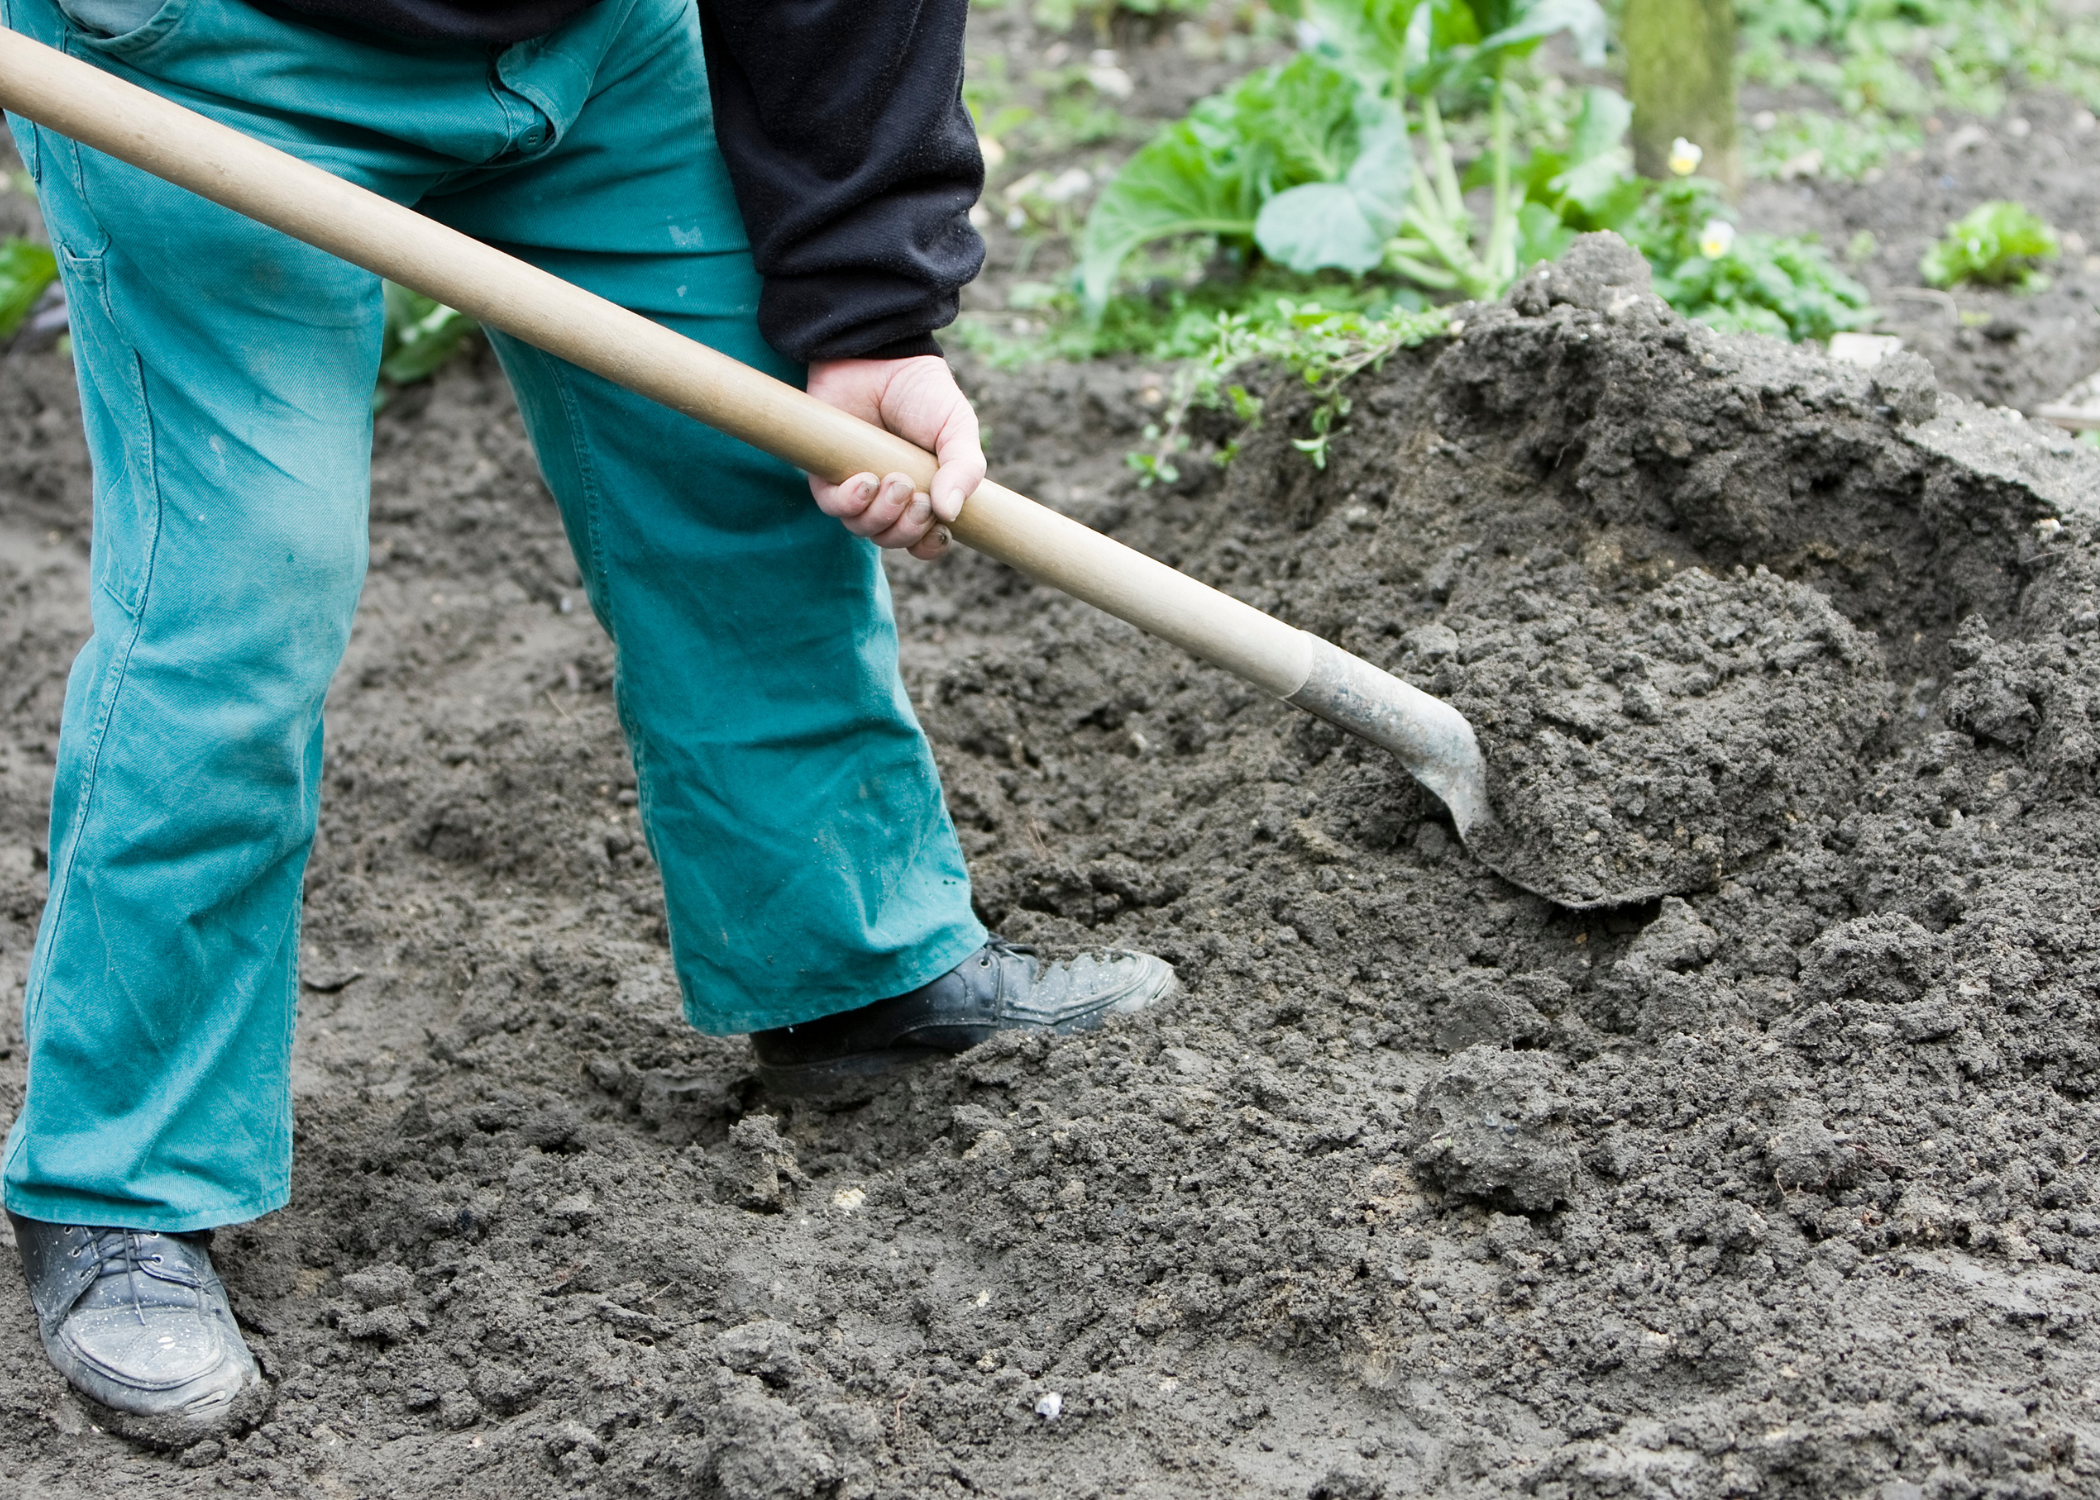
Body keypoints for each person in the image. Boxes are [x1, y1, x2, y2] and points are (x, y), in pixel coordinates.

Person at [0, 0, 1174, 1438]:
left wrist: (870, 303)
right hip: (212, 50)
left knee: (742, 470)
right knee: (242, 587)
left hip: (592, 36)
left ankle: (851, 962)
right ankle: (119, 1182)